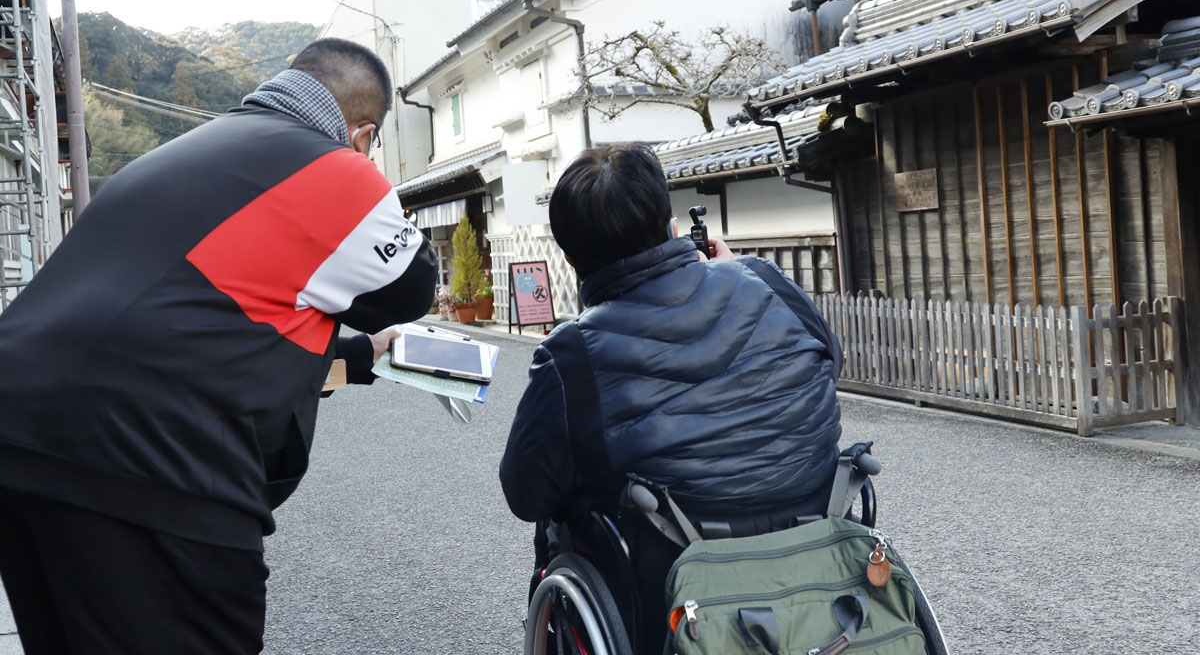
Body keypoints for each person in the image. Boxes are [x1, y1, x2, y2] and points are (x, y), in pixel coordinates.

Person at [0, 38, 437, 654]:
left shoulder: (178, 155)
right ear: (362, 135)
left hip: (19, 430)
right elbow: (411, 287)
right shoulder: (336, 169)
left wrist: (362, 356)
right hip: (149, 449)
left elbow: (208, 315)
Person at [499, 143, 842, 653]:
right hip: (813, 549)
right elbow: (827, 363)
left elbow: (526, 494)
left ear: (570, 259)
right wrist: (740, 272)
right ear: (673, 226)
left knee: (563, 510)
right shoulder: (764, 281)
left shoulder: (571, 357)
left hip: (667, 591)